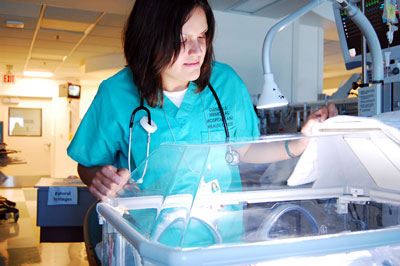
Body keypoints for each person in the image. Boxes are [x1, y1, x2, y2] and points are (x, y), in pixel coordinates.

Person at [67, 0, 337, 246]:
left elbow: (245, 150)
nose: (197, 50)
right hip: (151, 244)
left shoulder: (225, 83)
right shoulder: (115, 94)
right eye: (182, 39)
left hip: (224, 242)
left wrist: (301, 141)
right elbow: (87, 165)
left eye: (202, 36)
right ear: (150, 40)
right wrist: (102, 180)